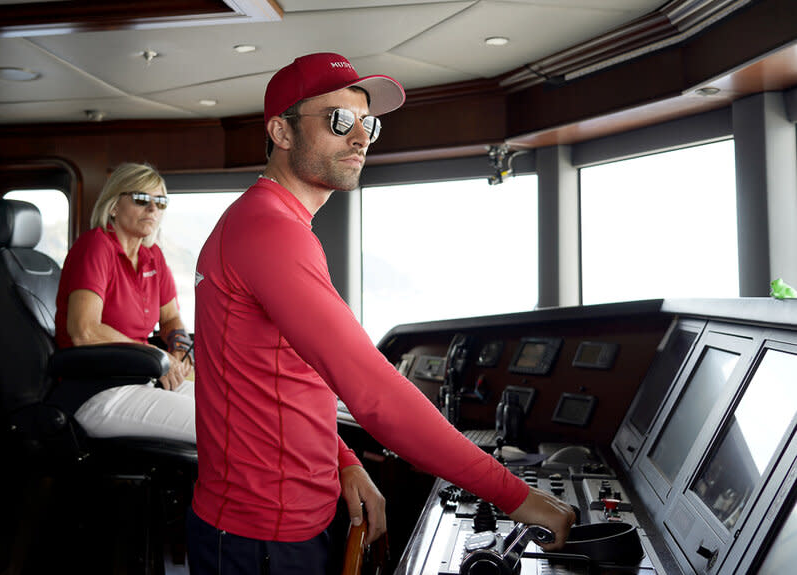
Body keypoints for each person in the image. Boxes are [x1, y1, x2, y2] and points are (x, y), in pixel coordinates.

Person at [189, 52, 575, 574]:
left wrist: (343, 462)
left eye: (367, 123)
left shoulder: (270, 222)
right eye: (338, 120)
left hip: (281, 521)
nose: (361, 137)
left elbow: (288, 374)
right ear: (281, 132)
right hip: (261, 535)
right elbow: (372, 393)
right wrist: (518, 498)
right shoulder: (269, 231)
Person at [53, 162, 195, 443]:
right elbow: (84, 331)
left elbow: (170, 320)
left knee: (236, 410)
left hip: (143, 377)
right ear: (114, 206)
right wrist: (155, 356)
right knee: (222, 429)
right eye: (142, 199)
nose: (153, 209)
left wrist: (178, 352)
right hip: (98, 390)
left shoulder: (152, 255)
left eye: (161, 202)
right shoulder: (95, 247)